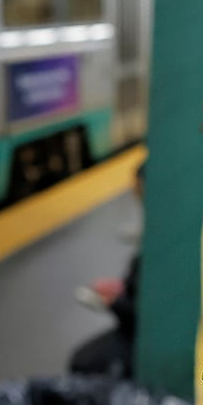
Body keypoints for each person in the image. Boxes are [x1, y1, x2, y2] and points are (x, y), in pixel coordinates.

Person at [69, 160, 145, 378]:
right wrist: (120, 289)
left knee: (82, 361)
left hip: (135, 335)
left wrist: (113, 301)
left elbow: (140, 310)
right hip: (133, 325)